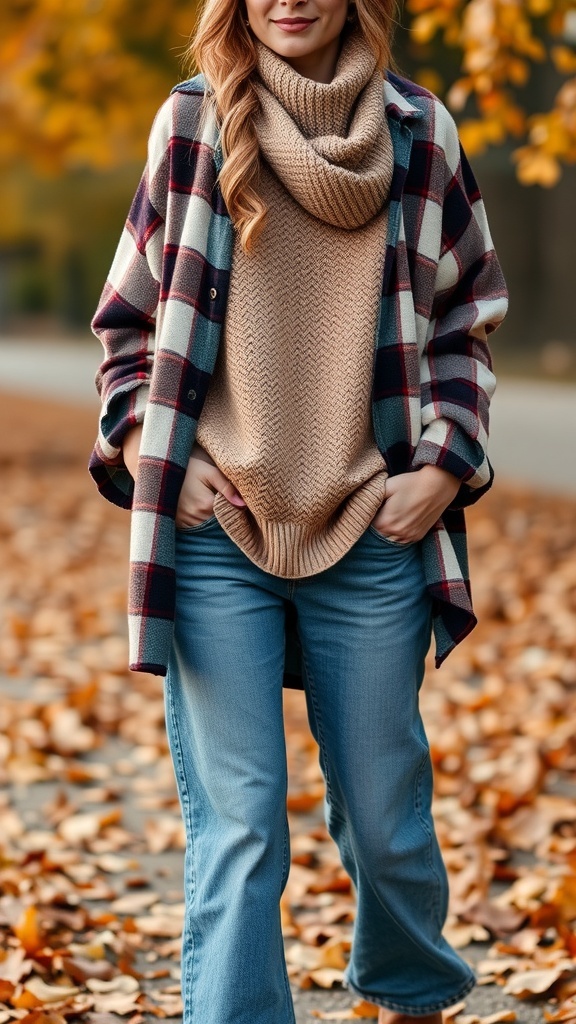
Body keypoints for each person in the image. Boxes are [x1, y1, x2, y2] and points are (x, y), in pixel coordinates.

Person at [88, 0, 508, 1021]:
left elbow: (467, 318)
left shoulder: (422, 132)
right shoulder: (193, 122)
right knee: (240, 825)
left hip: (371, 523)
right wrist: (154, 447)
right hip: (217, 525)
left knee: (385, 816)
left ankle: (410, 990)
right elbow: (128, 324)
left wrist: (444, 467)